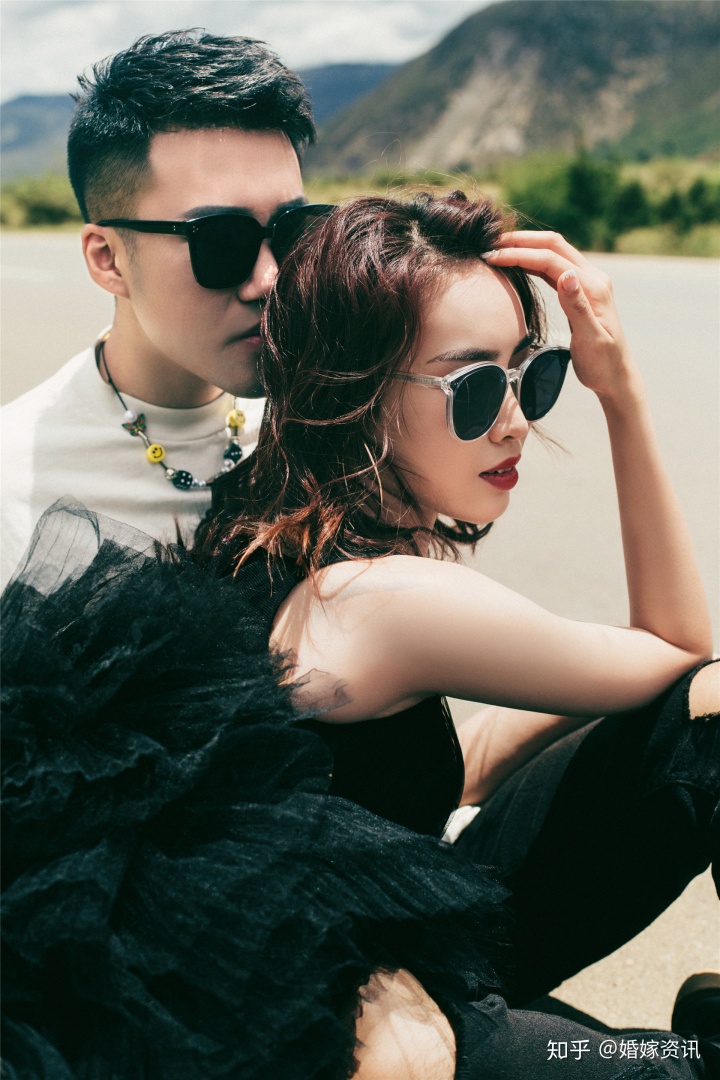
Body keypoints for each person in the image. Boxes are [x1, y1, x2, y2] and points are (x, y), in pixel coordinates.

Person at [2, 192, 718, 1079]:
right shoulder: (381, 599)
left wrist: (594, 683)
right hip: (354, 1023)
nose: (514, 421)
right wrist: (622, 394)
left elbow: (425, 765)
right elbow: (678, 642)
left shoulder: (296, 514)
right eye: (473, 388)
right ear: (359, 393)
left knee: (703, 715)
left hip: (403, 935)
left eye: (530, 375)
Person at [0, 29, 328, 587]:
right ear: (108, 259)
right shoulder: (16, 485)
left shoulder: (333, 417)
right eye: (220, 241)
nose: (270, 278)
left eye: (294, 230)